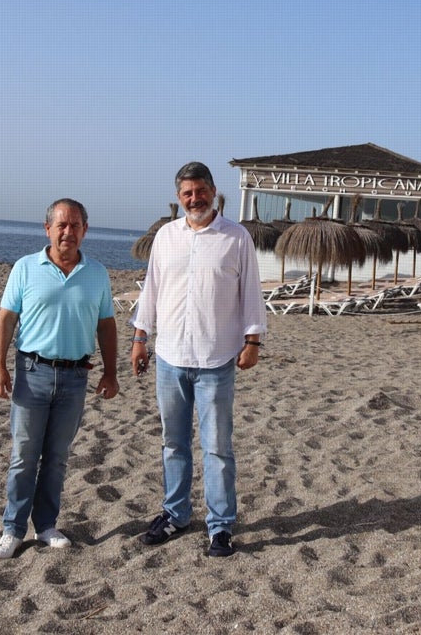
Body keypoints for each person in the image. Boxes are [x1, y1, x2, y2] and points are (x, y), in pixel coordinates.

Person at [131, 162, 266, 557]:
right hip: (170, 357)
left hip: (216, 358)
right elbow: (151, 291)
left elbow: (251, 294)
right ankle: (175, 514)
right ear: (179, 197)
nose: (195, 199)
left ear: (213, 191)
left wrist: (253, 341)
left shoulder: (237, 238)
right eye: (187, 193)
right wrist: (140, 337)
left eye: (201, 191)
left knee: (217, 447)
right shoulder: (166, 237)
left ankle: (220, 526)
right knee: (173, 443)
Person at [0, 198, 119, 559]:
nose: (68, 232)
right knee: (23, 457)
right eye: (61, 225)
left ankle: (45, 525)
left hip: (76, 377)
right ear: (47, 229)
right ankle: (13, 529)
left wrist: (111, 371)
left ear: (85, 230)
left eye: (75, 225)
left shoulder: (97, 273)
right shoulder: (26, 267)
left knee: (57, 458)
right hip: (32, 374)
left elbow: (106, 325)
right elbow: (5, 320)